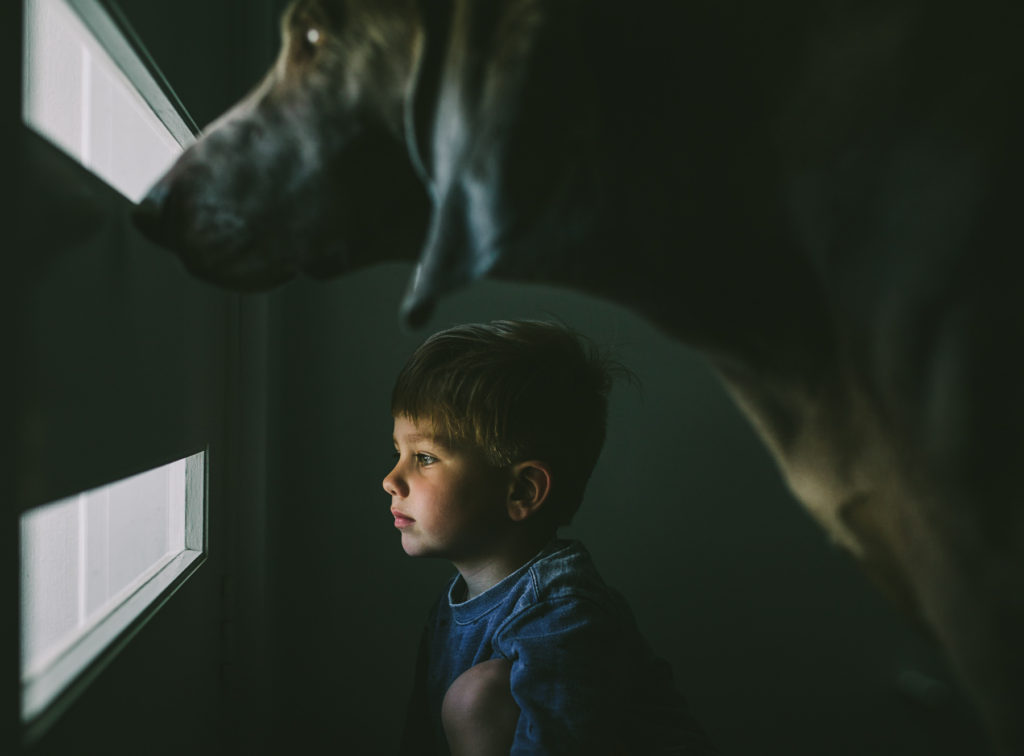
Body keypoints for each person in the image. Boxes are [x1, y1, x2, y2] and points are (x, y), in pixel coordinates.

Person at [384, 320, 717, 755]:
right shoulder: (449, 610)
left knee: (478, 696)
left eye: (424, 457)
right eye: (399, 454)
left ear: (522, 491)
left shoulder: (562, 613)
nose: (391, 480)